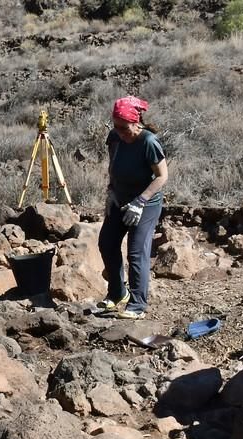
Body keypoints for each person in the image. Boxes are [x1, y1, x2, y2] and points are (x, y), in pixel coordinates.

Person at [97, 95, 169, 320]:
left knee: (136, 252)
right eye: (116, 126)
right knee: (107, 243)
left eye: (124, 127)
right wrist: (111, 192)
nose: (119, 131)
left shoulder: (148, 142)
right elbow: (113, 166)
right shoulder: (115, 138)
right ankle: (118, 292)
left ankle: (137, 305)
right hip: (120, 199)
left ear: (135, 122)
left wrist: (141, 201)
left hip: (146, 204)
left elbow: (162, 176)